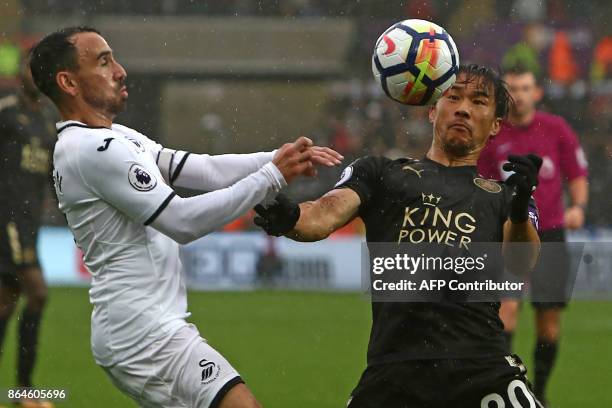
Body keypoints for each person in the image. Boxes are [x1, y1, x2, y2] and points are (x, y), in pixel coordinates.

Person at [28, 26, 342, 408]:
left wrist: (278, 156)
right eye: (104, 61)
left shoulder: (113, 136)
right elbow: (181, 221)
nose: (120, 70)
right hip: (141, 333)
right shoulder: (92, 149)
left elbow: (202, 169)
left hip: (141, 327)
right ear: (68, 82)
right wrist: (273, 175)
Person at [254, 64, 545, 407]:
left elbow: (522, 261)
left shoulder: (505, 195)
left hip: (482, 367)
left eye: (479, 102)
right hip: (395, 371)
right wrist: (290, 216)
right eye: (453, 97)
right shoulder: (381, 173)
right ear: (433, 109)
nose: (463, 108)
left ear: (496, 124)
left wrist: (520, 204)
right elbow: (324, 213)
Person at [477, 66, 588, 404]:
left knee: (548, 324)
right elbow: (480, 181)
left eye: (526, 88)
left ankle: (539, 391)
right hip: (509, 235)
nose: (520, 95)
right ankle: (504, 385)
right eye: (513, 89)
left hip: (551, 233)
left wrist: (579, 207)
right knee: (505, 312)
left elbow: (577, 172)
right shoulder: (493, 133)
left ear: (537, 92)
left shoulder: (556, 129)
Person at [0, 52, 57, 408]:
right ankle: (25, 391)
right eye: (29, 68)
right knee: (37, 292)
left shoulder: (49, 122)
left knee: (6, 304)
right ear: (20, 72)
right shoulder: (5, 112)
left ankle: (24, 392)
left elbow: (51, 174)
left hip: (29, 223)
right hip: (5, 219)